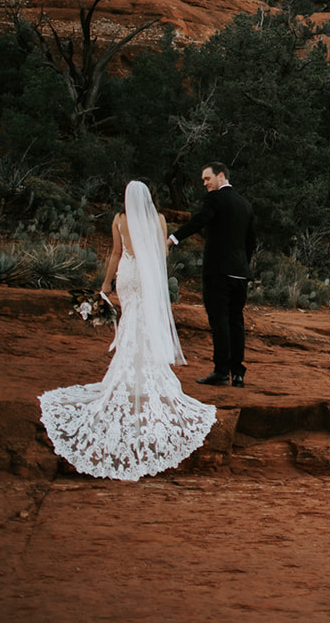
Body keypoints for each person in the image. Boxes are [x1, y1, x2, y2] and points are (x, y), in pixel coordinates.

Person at [38, 181, 215, 480]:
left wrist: (106, 284)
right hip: (147, 277)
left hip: (128, 275)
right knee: (143, 323)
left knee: (130, 321)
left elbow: (116, 254)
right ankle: (144, 376)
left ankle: (127, 375)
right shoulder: (158, 220)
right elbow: (162, 255)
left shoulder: (119, 220)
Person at [168, 161, 256, 387]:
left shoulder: (215, 199)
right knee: (236, 321)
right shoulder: (245, 204)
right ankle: (237, 373)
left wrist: (174, 237)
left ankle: (220, 371)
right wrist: (243, 266)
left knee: (220, 321)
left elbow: (200, 220)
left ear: (221, 176)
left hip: (218, 271)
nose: (205, 183)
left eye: (207, 178)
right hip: (239, 273)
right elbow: (251, 241)